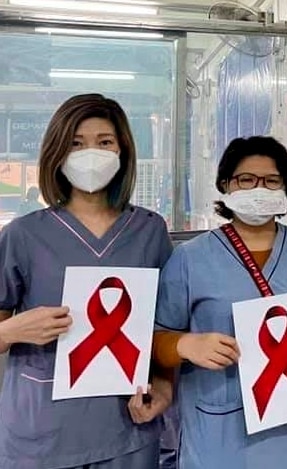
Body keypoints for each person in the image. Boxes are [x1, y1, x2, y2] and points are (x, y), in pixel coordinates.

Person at [0, 93, 173, 469]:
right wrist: (13, 330)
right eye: (76, 143)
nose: (90, 153)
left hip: (126, 426)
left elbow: (165, 326)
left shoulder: (149, 230)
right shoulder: (23, 236)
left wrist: (163, 386)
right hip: (42, 432)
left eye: (105, 142)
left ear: (123, 151)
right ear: (57, 154)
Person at [151, 135, 287, 469]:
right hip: (217, 436)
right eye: (246, 180)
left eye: (271, 181)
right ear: (226, 185)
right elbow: (153, 340)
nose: (259, 189)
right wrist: (186, 345)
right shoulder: (191, 259)